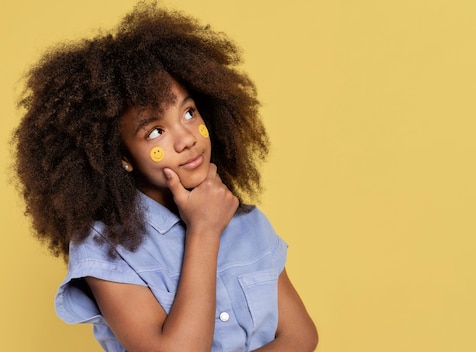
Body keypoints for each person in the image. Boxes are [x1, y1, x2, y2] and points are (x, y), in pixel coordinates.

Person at [12, 2, 317, 351]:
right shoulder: (106, 248)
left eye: (188, 112)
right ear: (122, 157)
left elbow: (301, 336)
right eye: (155, 131)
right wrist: (204, 229)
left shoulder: (249, 223)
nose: (187, 138)